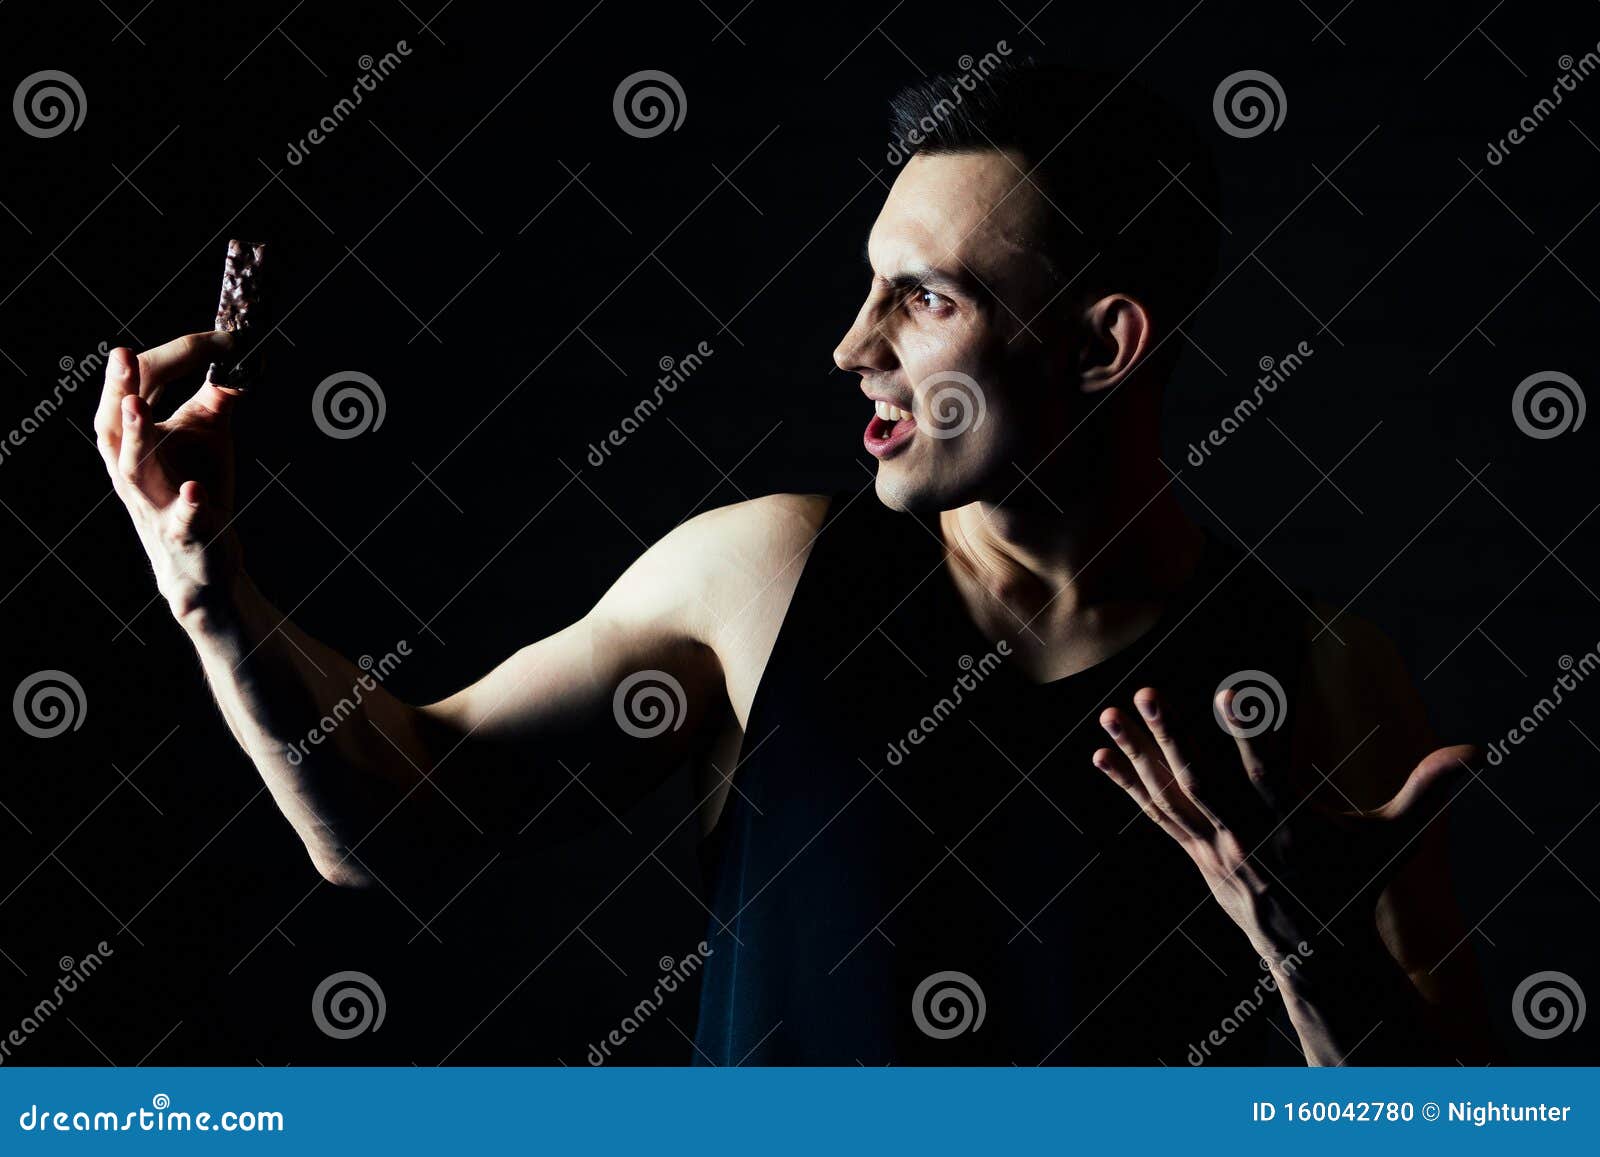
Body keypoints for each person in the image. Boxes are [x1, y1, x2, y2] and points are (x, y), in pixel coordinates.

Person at [94, 60, 1492, 1065]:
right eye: (867, 286)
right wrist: (213, 598)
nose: (850, 347)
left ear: (1101, 344)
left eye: (925, 299)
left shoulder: (1316, 680)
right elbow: (397, 822)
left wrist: (1311, 958)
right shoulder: (763, 578)